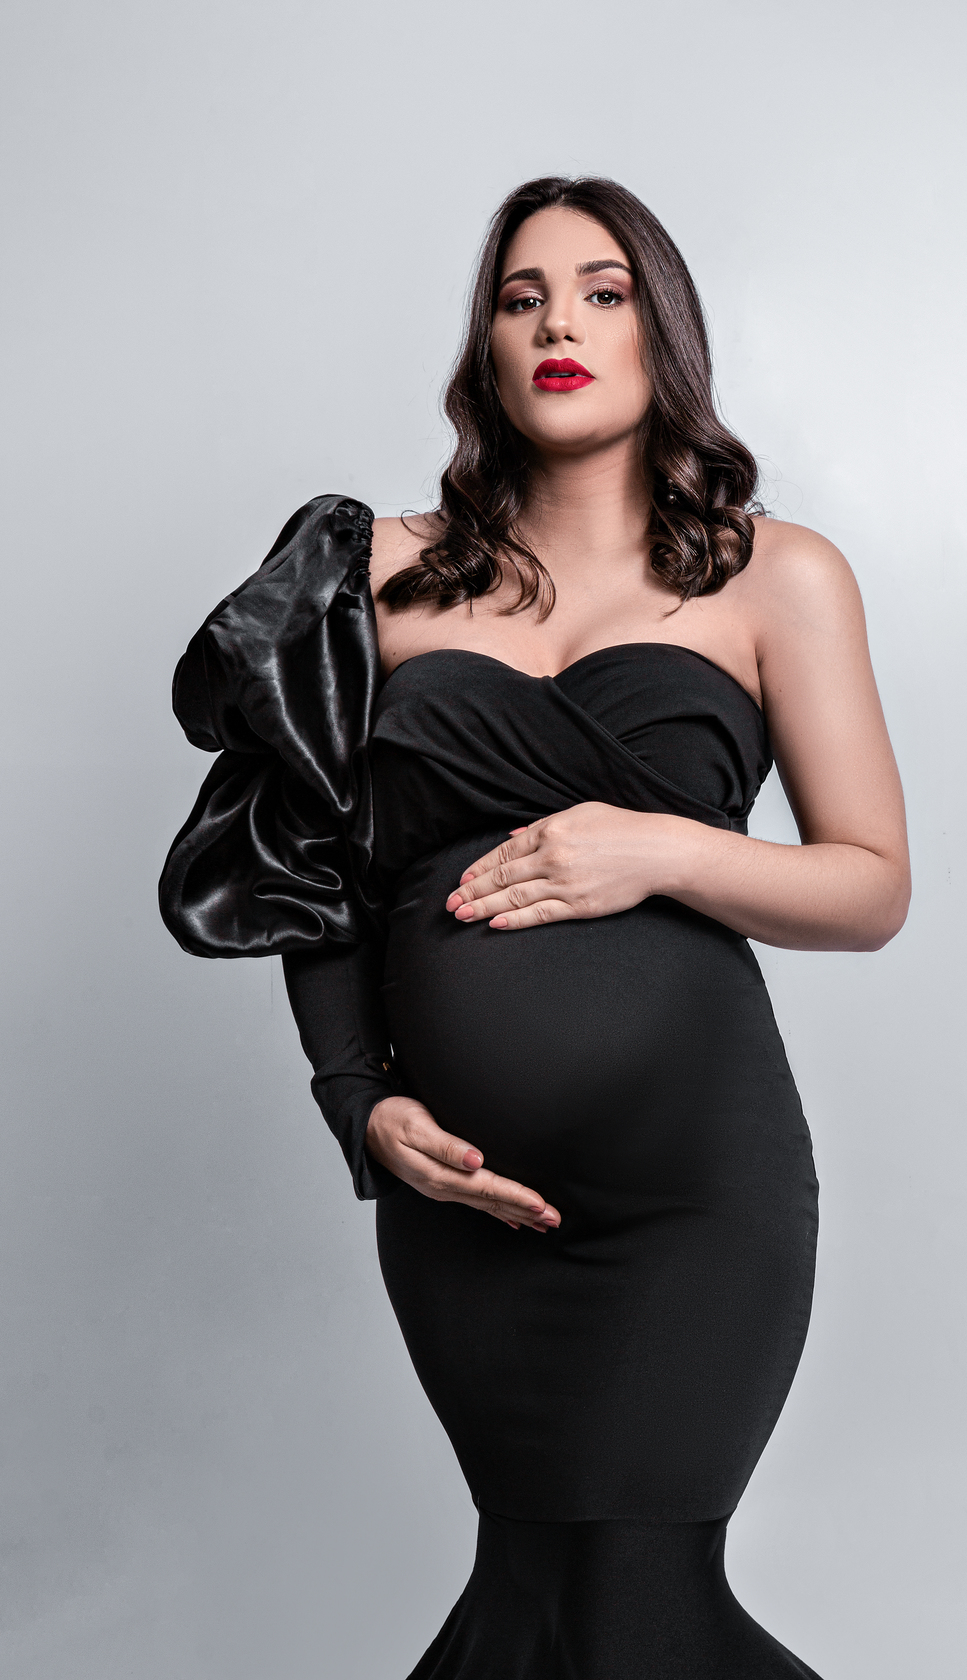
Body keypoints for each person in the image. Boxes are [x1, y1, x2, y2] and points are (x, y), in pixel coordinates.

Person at [161, 175, 910, 1679]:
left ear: (660, 334)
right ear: (487, 347)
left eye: (602, 292)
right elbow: (312, 877)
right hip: (467, 1208)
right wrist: (359, 1102)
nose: (559, 322)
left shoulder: (777, 576)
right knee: (535, 1605)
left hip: (695, 1191)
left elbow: (869, 885)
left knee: (632, 1610)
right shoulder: (372, 574)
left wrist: (661, 846)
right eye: (523, 298)